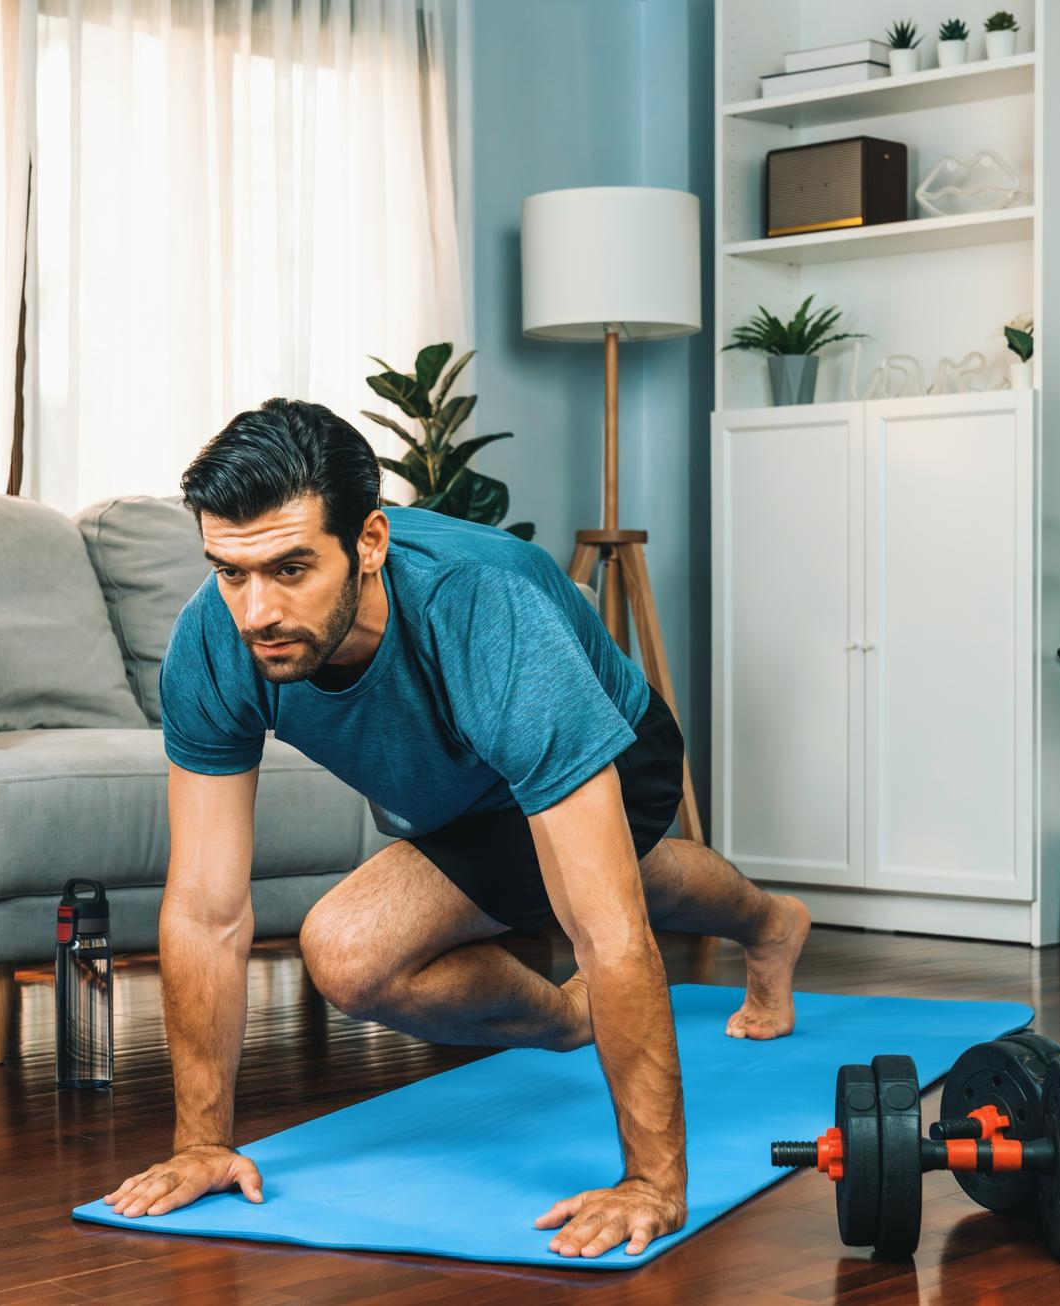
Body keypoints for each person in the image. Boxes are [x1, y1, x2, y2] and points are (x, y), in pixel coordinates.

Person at [102, 398, 812, 1259]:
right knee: (359, 952)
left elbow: (608, 933)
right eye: (231, 571)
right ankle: (586, 1012)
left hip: (615, 747)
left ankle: (765, 925)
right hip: (461, 794)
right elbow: (204, 911)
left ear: (370, 542)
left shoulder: (481, 608)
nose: (257, 612)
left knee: (608, 893)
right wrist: (201, 1144)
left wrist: (653, 1185)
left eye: (291, 569)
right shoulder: (215, 640)